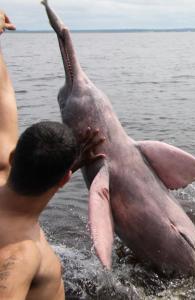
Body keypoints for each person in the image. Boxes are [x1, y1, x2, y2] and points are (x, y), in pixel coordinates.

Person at [0, 11, 105, 299]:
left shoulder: (1, 168)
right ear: (65, 180)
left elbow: (2, 94)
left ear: (12, 157)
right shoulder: (20, 256)